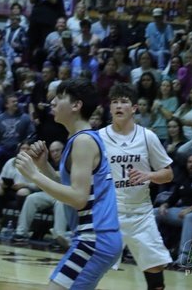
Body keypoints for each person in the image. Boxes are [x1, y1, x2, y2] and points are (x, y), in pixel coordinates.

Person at [15, 78, 123, 289]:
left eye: (60, 97)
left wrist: (34, 175)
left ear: (76, 105)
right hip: (99, 238)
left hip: (95, 238)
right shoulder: (79, 139)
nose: (52, 102)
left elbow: (78, 198)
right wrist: (44, 166)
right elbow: (69, 188)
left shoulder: (83, 142)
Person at [99, 83, 173, 289]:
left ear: (134, 108)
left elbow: (168, 174)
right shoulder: (99, 137)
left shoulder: (147, 136)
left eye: (124, 102)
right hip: (109, 212)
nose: (118, 106)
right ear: (109, 108)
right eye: (114, 102)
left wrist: (148, 175)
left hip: (140, 212)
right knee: (91, 265)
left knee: (155, 267)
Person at [155, 153, 192, 268]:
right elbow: (174, 197)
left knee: (189, 217)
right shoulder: (183, 178)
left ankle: (183, 256)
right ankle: (153, 250)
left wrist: (190, 209)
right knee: (155, 212)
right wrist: (164, 205)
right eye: (190, 162)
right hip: (182, 211)